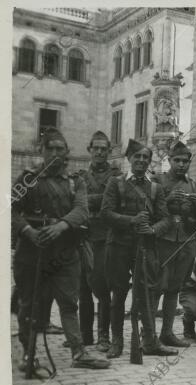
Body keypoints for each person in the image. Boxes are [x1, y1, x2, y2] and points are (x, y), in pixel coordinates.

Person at [12, 127, 110, 370]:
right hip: (31, 253)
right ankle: (28, 355)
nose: (55, 153)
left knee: (69, 303)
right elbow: (11, 211)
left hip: (65, 253)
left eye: (60, 149)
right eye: (50, 148)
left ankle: (78, 351)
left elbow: (81, 210)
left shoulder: (75, 182)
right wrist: (29, 232)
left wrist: (62, 226)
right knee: (29, 305)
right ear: (41, 151)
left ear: (67, 153)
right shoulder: (27, 179)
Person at [100, 139, 177, 358]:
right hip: (118, 247)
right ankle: (116, 342)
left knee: (147, 294)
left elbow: (166, 219)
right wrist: (131, 221)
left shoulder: (155, 188)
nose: (142, 161)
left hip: (144, 247)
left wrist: (153, 230)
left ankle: (150, 341)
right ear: (129, 159)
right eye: (137, 157)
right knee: (118, 295)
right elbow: (105, 213)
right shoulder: (116, 183)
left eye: (146, 157)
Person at [152, 141, 196, 347]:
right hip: (163, 242)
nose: (181, 164)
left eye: (185, 161)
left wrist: (195, 205)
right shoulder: (157, 181)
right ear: (169, 160)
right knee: (157, 288)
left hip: (185, 243)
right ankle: (148, 335)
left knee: (174, 289)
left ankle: (166, 333)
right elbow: (150, 211)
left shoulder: (193, 185)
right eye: (177, 160)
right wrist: (167, 200)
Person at [77, 131, 122, 352]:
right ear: (90, 150)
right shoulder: (80, 176)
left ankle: (103, 336)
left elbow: (111, 201)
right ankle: (84, 336)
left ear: (109, 151)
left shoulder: (116, 176)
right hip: (83, 236)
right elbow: (76, 203)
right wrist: (95, 201)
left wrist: (87, 201)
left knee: (103, 288)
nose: (100, 152)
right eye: (96, 148)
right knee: (83, 288)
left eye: (104, 149)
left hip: (105, 237)